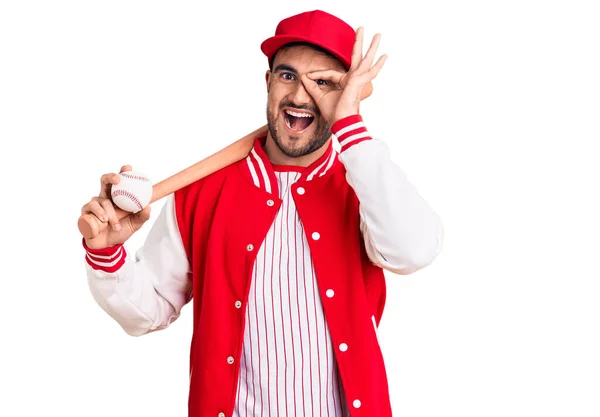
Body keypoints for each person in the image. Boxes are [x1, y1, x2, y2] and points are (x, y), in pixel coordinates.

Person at [81, 9, 444, 417]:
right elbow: (147, 311)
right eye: (288, 76)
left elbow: (414, 251)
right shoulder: (200, 194)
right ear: (268, 82)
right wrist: (106, 254)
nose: (301, 97)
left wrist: (349, 123)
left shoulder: (365, 188)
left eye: (322, 82)